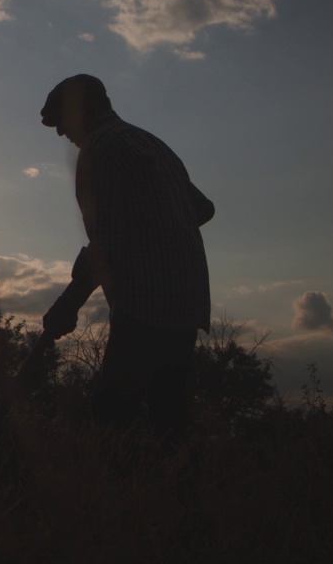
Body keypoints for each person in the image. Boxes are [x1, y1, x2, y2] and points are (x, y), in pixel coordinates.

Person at [38, 74, 215, 444]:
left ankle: (125, 495)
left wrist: (67, 305)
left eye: (63, 121)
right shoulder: (152, 143)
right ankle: (184, 492)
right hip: (188, 298)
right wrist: (159, 224)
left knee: (113, 412)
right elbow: (202, 207)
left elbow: (107, 241)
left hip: (146, 300)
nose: (60, 134)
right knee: (170, 415)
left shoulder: (100, 150)